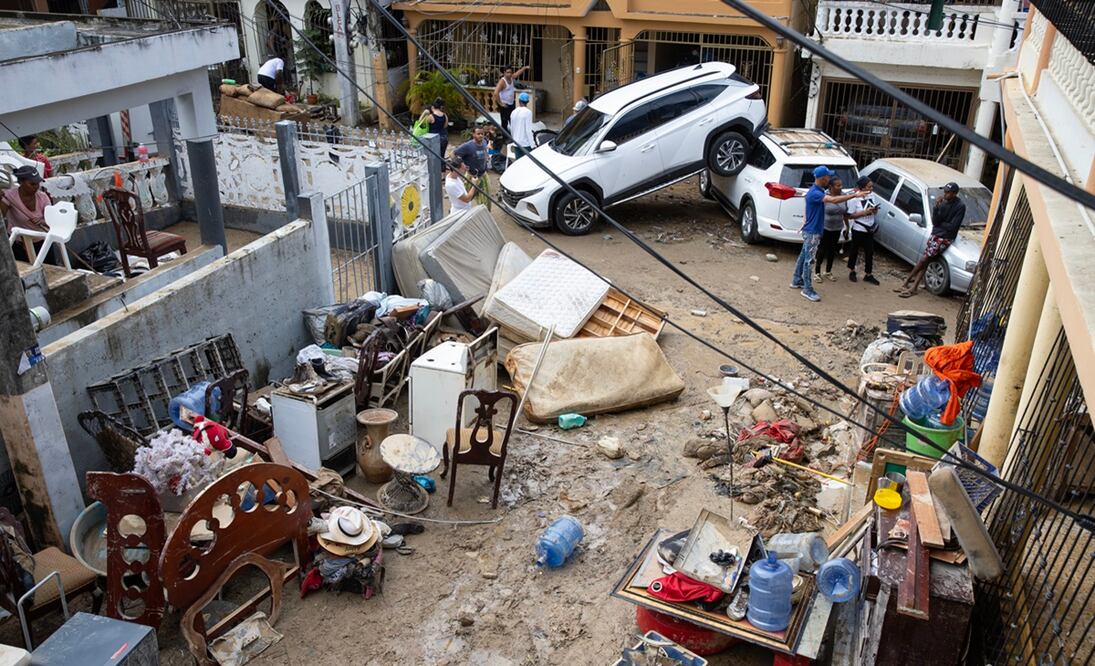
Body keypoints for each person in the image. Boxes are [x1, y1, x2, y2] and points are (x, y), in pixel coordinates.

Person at [792, 166, 859, 302]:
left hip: (811, 229)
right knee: (809, 260)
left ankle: (796, 280)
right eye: (828, 177)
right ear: (823, 178)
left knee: (804, 255)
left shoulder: (817, 190)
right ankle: (807, 288)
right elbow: (833, 200)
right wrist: (854, 195)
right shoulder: (816, 193)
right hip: (813, 231)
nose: (829, 179)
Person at [898, 181, 966, 298]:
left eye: (948, 192)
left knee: (924, 259)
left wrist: (941, 224)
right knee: (927, 260)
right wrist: (936, 208)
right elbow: (936, 222)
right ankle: (913, 286)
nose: (945, 194)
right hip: (936, 234)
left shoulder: (960, 206)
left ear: (954, 194)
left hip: (945, 237)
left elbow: (953, 227)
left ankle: (907, 282)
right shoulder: (943, 203)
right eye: (944, 192)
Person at [846, 176, 881, 285]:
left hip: (869, 228)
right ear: (862, 187)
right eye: (868, 187)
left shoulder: (872, 196)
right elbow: (850, 216)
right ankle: (852, 271)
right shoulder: (855, 198)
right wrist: (864, 213)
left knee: (869, 252)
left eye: (872, 187)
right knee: (854, 250)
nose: (871, 189)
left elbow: (874, 210)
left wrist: (874, 211)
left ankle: (868, 274)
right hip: (859, 228)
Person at [1, 165, 52, 234]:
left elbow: (52, 220)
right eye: (32, 184)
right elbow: (1, 217)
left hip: (41, 237)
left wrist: (43, 221)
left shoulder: (43, 197)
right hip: (18, 239)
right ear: (20, 182)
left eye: (38, 183)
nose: (36, 187)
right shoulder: (9, 196)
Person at [815, 177, 847, 282]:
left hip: (837, 227)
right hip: (825, 227)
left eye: (841, 185)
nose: (840, 187)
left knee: (832, 250)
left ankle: (828, 271)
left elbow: (845, 213)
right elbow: (818, 212)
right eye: (838, 185)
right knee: (821, 250)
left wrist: (847, 226)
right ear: (831, 187)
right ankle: (817, 272)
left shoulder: (844, 196)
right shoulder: (824, 196)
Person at [453, 127, 491, 208]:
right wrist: (461, 165)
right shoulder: (467, 146)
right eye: (478, 134)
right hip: (471, 177)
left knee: (486, 203)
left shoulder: (484, 142)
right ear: (473, 134)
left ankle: (484, 219)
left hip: (483, 175)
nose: (481, 136)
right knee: (463, 201)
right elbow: (453, 154)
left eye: (482, 134)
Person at [494, 64, 529, 132]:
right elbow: (496, 93)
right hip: (505, 104)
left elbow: (517, 73)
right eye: (507, 72)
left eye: (510, 72)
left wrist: (524, 68)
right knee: (505, 122)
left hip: (511, 103)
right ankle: (505, 137)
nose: (509, 74)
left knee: (512, 119)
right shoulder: (502, 81)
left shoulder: (511, 78)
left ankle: (513, 135)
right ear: (504, 73)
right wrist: (500, 104)